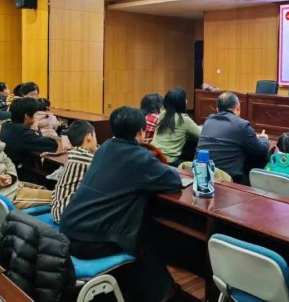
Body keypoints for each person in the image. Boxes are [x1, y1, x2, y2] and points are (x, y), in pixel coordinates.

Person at [60, 106, 183, 301]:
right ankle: (162, 294)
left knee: (142, 230)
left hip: (69, 231)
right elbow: (174, 180)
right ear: (140, 132)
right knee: (146, 237)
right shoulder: (140, 157)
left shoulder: (105, 147)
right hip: (91, 242)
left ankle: (153, 289)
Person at [196, 92, 269, 184]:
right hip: (227, 181)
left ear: (217, 109)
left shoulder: (209, 120)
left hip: (202, 176)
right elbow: (262, 150)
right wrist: (264, 139)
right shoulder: (242, 125)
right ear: (238, 107)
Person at [0, 98, 58, 182]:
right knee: (52, 180)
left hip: (5, 171)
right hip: (18, 175)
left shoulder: (5, 125)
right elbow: (52, 144)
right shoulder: (22, 132)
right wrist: (35, 129)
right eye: (36, 114)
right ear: (27, 116)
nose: (37, 117)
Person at [51, 120, 97, 223]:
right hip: (68, 217)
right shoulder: (87, 161)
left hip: (58, 211)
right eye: (95, 136)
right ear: (89, 137)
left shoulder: (74, 155)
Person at [151, 88, 200, 166]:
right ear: (182, 103)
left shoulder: (163, 114)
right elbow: (201, 135)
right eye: (185, 99)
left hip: (154, 155)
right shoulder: (184, 119)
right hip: (169, 161)